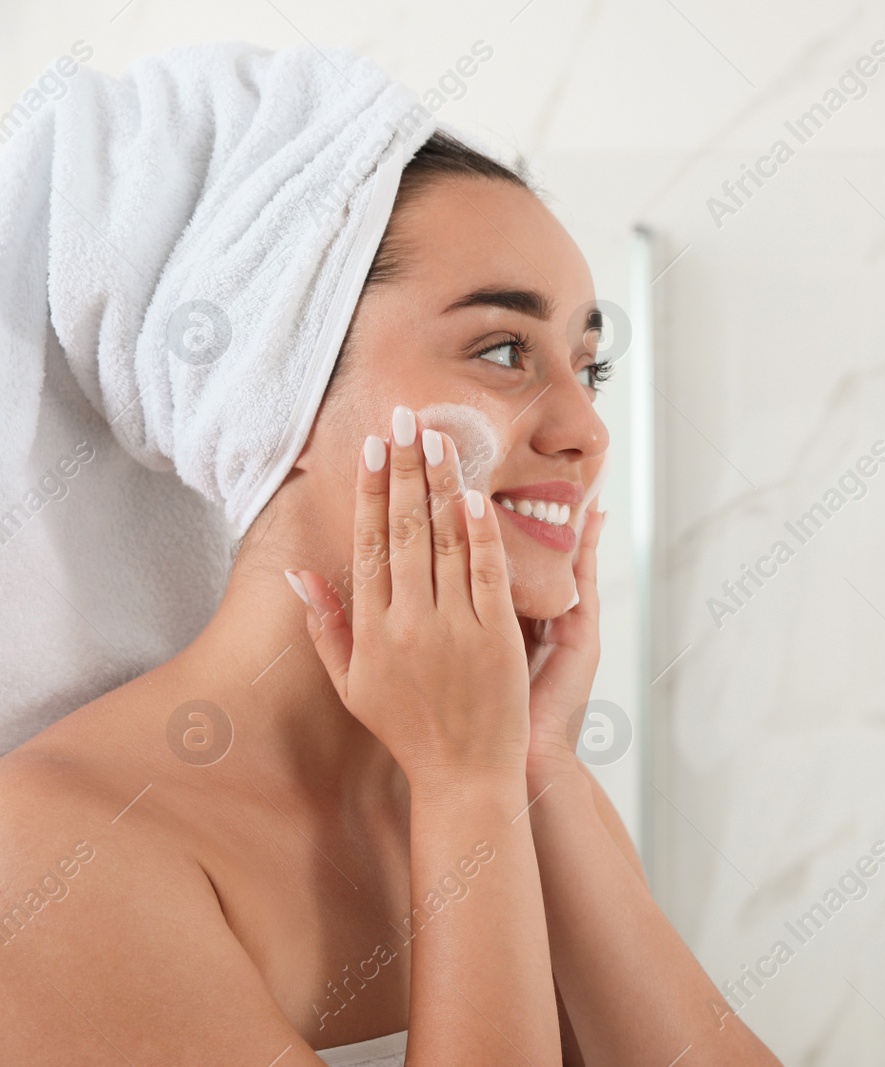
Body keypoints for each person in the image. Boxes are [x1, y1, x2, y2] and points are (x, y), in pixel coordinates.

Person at [0, 129, 779, 1066]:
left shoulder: (516, 774)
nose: (586, 429)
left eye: (589, 365)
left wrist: (531, 769)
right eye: (501, 350)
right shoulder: (55, 849)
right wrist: (466, 792)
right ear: (272, 396)